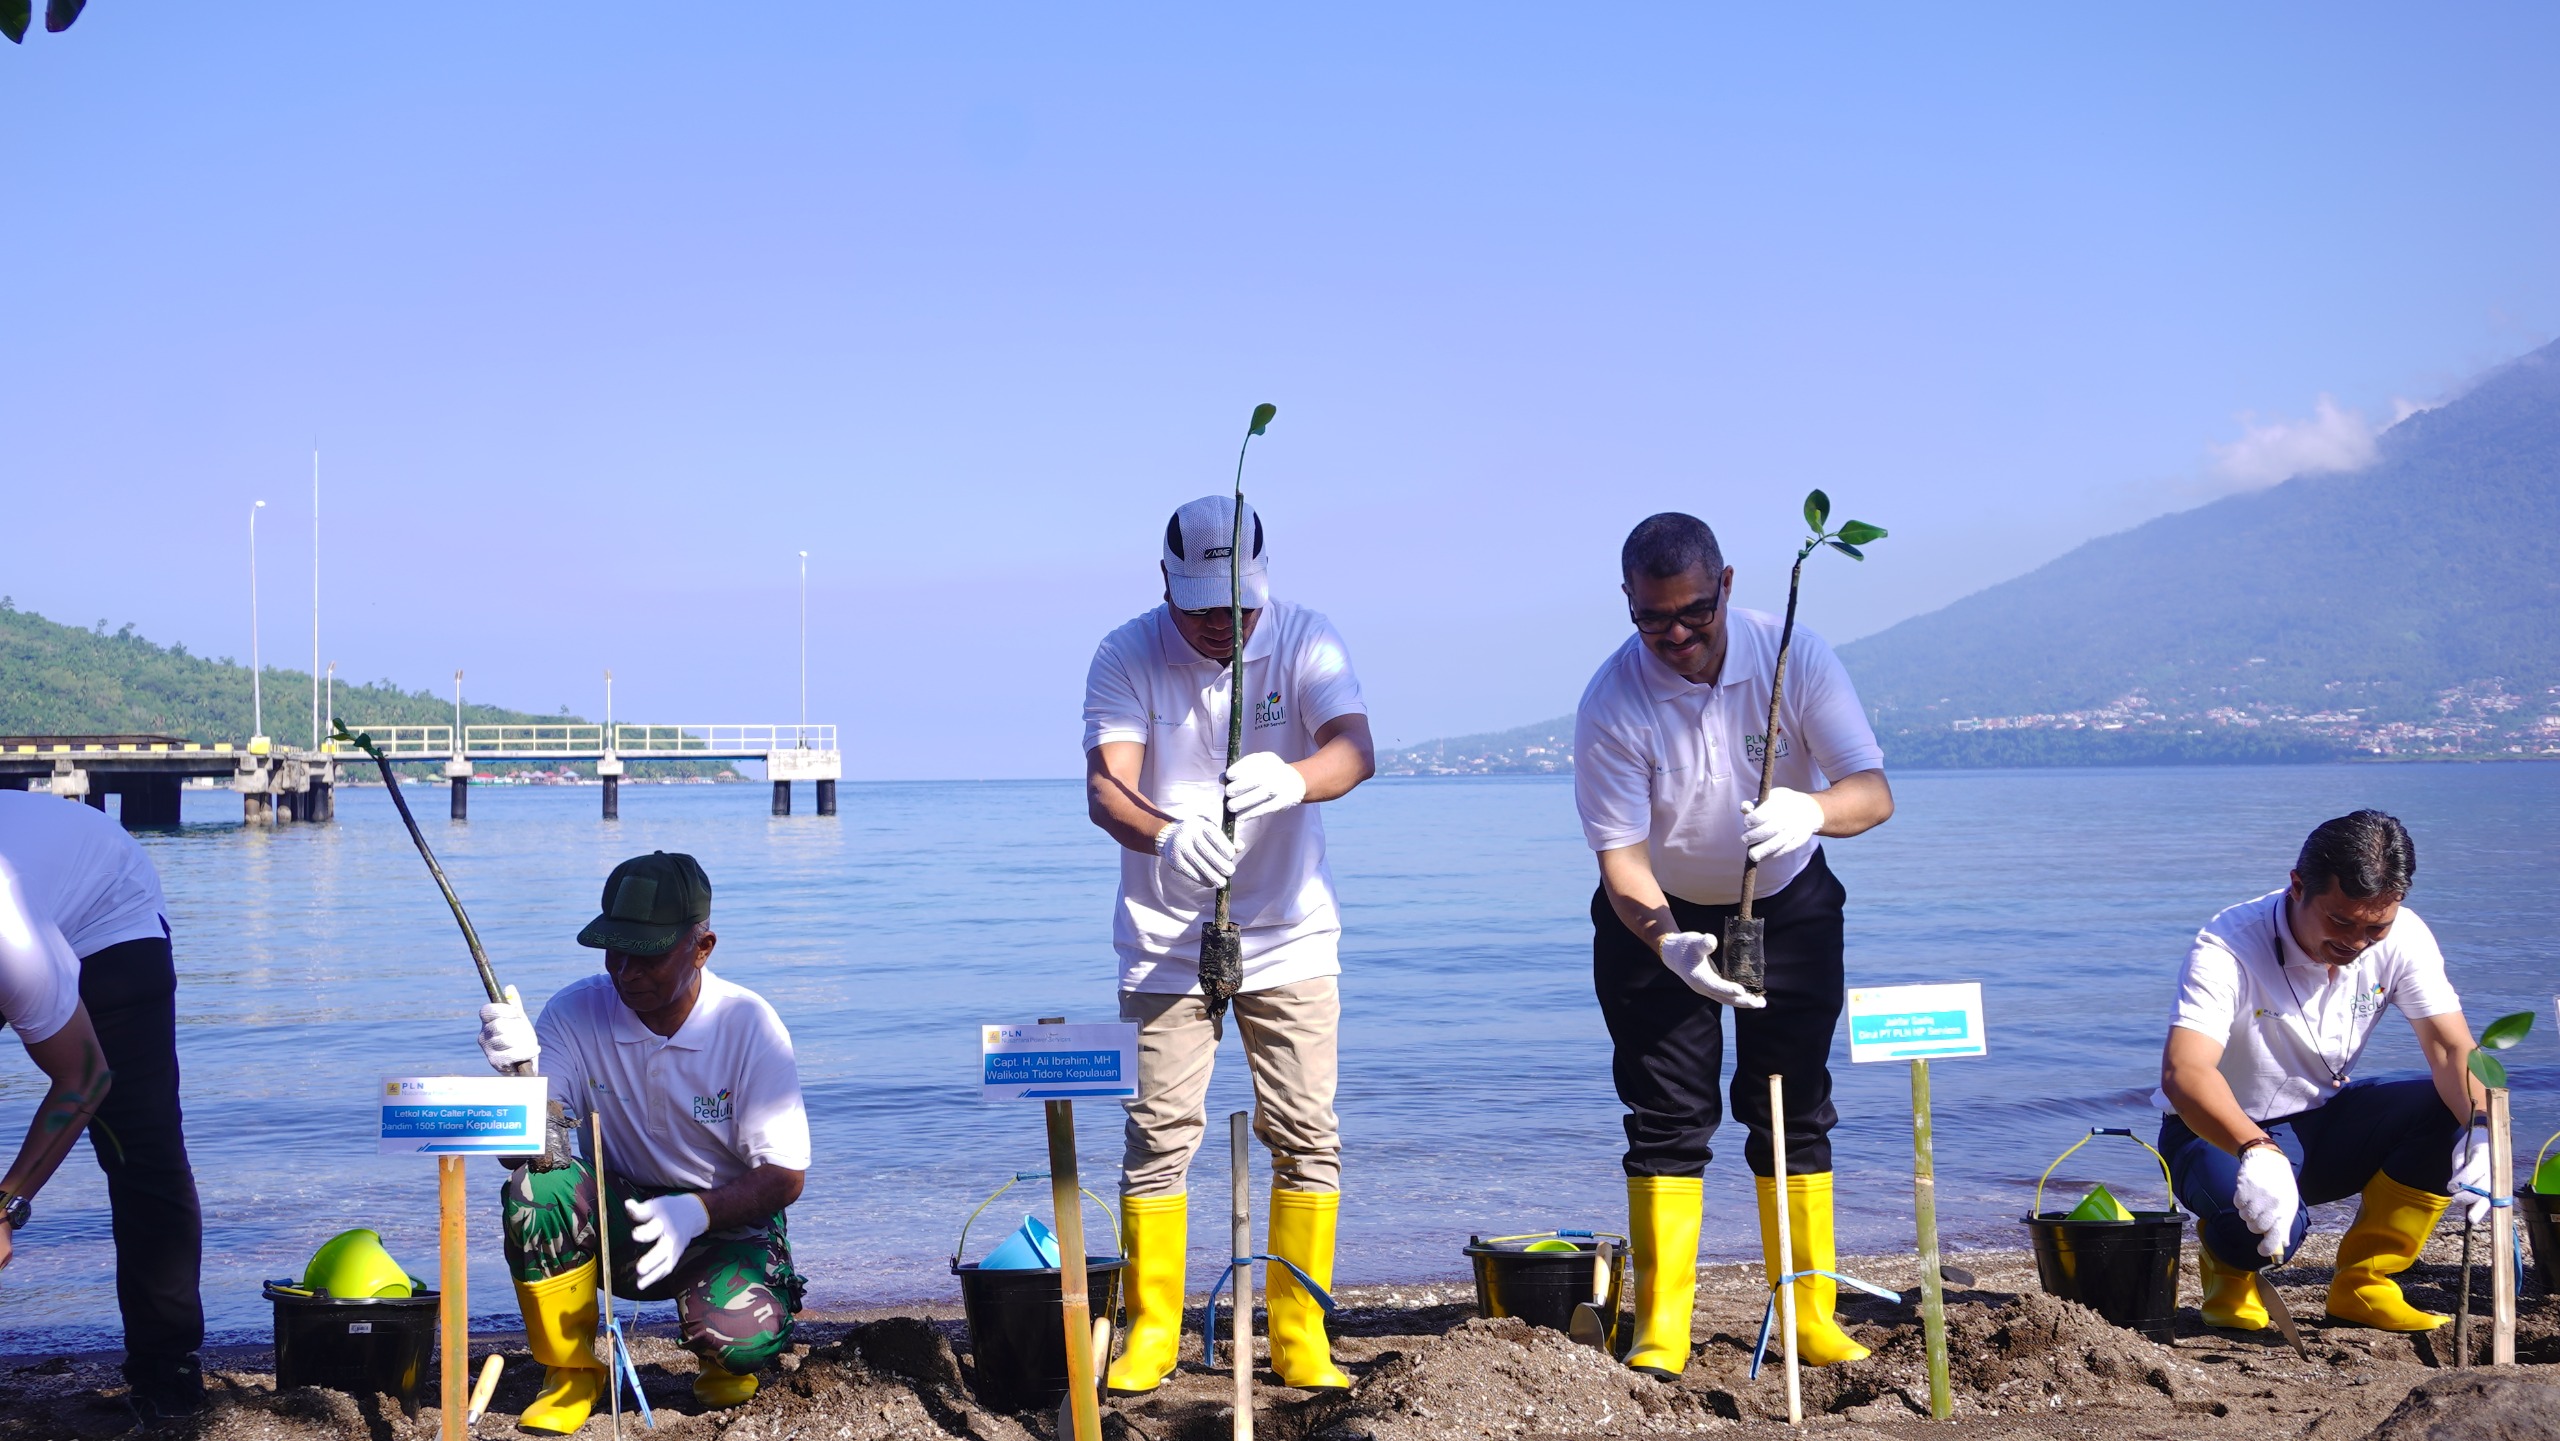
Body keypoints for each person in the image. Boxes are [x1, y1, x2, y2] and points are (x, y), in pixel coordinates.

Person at [1572, 512, 1894, 1380]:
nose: (1673, 634)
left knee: (1790, 1104)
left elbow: (1873, 793)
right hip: (1660, 916)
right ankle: (1663, 1325)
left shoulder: (1796, 658)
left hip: (1788, 905)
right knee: (1667, 1115)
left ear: (1727, 584)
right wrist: (1668, 941)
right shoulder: (1613, 700)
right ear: (1628, 604)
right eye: (1650, 618)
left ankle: (1808, 1313)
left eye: (1691, 612)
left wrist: (1812, 808)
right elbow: (1621, 860)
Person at [1081, 494, 1375, 1393]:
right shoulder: (1126, 653)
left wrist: (1293, 778)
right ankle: (1152, 1332)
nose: (1222, 627)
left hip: (1290, 932)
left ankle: (1298, 1335)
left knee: (1307, 1131)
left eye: (1239, 610)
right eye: (1203, 609)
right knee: (1158, 1132)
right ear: (1167, 586)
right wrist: (1167, 831)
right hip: (1168, 936)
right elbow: (1106, 789)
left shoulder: (1307, 638)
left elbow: (1355, 748)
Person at [475, 850, 811, 1432]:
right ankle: (572, 1373)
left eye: (648, 956)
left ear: (702, 948)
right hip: (617, 1215)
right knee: (537, 1188)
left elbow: (785, 1177)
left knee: (738, 1338)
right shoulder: (576, 1013)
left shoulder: (748, 1025)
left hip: (722, 1221)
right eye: (615, 952)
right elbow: (534, 1154)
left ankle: (721, 1364)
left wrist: (697, 1213)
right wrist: (520, 1081)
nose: (626, 972)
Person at [2156, 810, 2486, 1333]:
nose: (2357, 942)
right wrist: (2256, 1149)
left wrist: (2484, 1132)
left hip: (2324, 1118)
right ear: (2297, 885)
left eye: (2375, 926)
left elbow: (2451, 1051)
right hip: (2218, 1132)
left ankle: (2365, 1283)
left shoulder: (2405, 937)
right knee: (2262, 1236)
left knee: (2447, 1112)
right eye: (2340, 921)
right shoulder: (2227, 945)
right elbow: (2185, 1072)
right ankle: (2229, 1273)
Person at [0, 792, 204, 1419]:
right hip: (36, 875)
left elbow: (85, 1079)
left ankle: (165, 1368)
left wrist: (6, 1204)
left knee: (139, 1147)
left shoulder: (15, 946)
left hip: (108, 915)